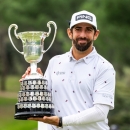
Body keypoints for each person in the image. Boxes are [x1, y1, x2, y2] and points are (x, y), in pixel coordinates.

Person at [21, 10, 116, 130]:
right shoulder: (55, 62)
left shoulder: (104, 67)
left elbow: (100, 112)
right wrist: (35, 83)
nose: (82, 35)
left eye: (88, 30)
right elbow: (45, 104)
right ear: (69, 33)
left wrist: (61, 121)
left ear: (96, 34)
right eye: (78, 29)